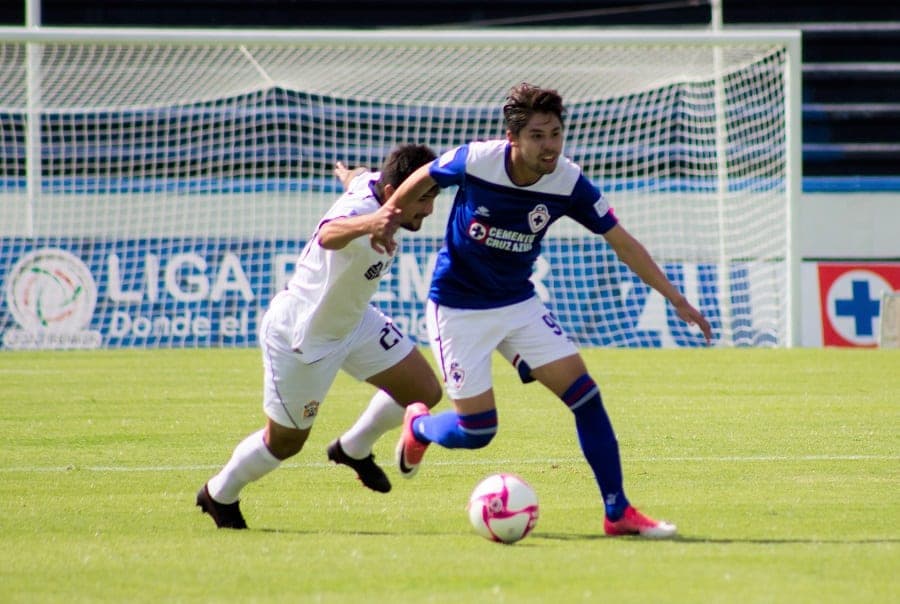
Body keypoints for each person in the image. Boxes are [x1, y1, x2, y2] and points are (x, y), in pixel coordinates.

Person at [376, 83, 713, 538]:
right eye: (537, 135)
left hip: (518, 302)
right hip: (458, 306)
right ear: (512, 138)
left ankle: (617, 512)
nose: (550, 145)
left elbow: (623, 243)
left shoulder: (568, 181)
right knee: (478, 431)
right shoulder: (478, 160)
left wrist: (676, 298)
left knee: (586, 397)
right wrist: (388, 216)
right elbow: (425, 176)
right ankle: (419, 427)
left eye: (555, 133)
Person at [196, 144, 443, 529]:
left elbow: (359, 177)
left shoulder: (372, 184)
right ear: (393, 191)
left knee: (423, 392)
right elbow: (329, 234)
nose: (429, 210)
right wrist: (370, 223)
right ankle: (219, 493)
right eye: (423, 198)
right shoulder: (361, 212)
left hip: (353, 322)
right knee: (285, 443)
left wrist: (347, 173)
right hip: (303, 336)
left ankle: (353, 448)